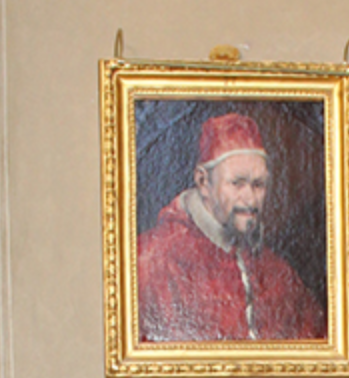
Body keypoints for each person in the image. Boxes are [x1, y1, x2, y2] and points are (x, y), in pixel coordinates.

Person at [137, 113, 326, 344]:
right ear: (203, 182)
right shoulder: (152, 260)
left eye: (258, 185)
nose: (250, 199)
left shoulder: (276, 271)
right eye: (237, 183)